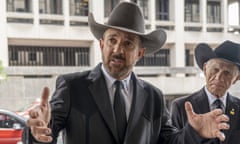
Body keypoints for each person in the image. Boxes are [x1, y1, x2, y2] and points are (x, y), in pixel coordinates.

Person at [23, 1, 229, 144]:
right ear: (102, 44)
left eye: (128, 43)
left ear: (139, 53)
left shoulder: (153, 97)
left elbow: (170, 141)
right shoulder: (72, 87)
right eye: (112, 40)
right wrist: (35, 132)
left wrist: (194, 132)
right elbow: (44, 134)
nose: (118, 49)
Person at [171, 40, 240, 144]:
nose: (218, 77)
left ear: (236, 78)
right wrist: (194, 132)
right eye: (215, 69)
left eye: (227, 73)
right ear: (205, 69)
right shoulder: (181, 106)